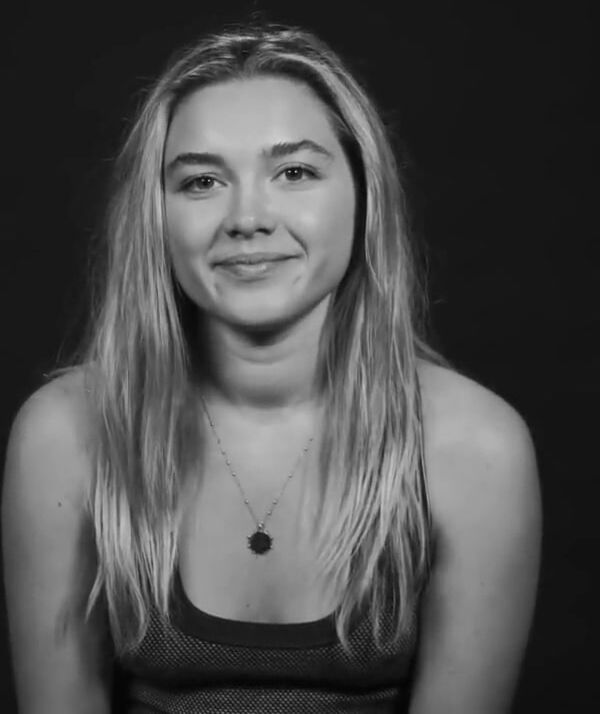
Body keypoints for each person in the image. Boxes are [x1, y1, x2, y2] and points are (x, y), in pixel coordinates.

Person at [2, 22, 542, 713]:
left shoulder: (474, 448)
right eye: (201, 181)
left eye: (294, 173)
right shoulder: (66, 435)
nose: (248, 218)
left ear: (364, 195)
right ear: (155, 216)